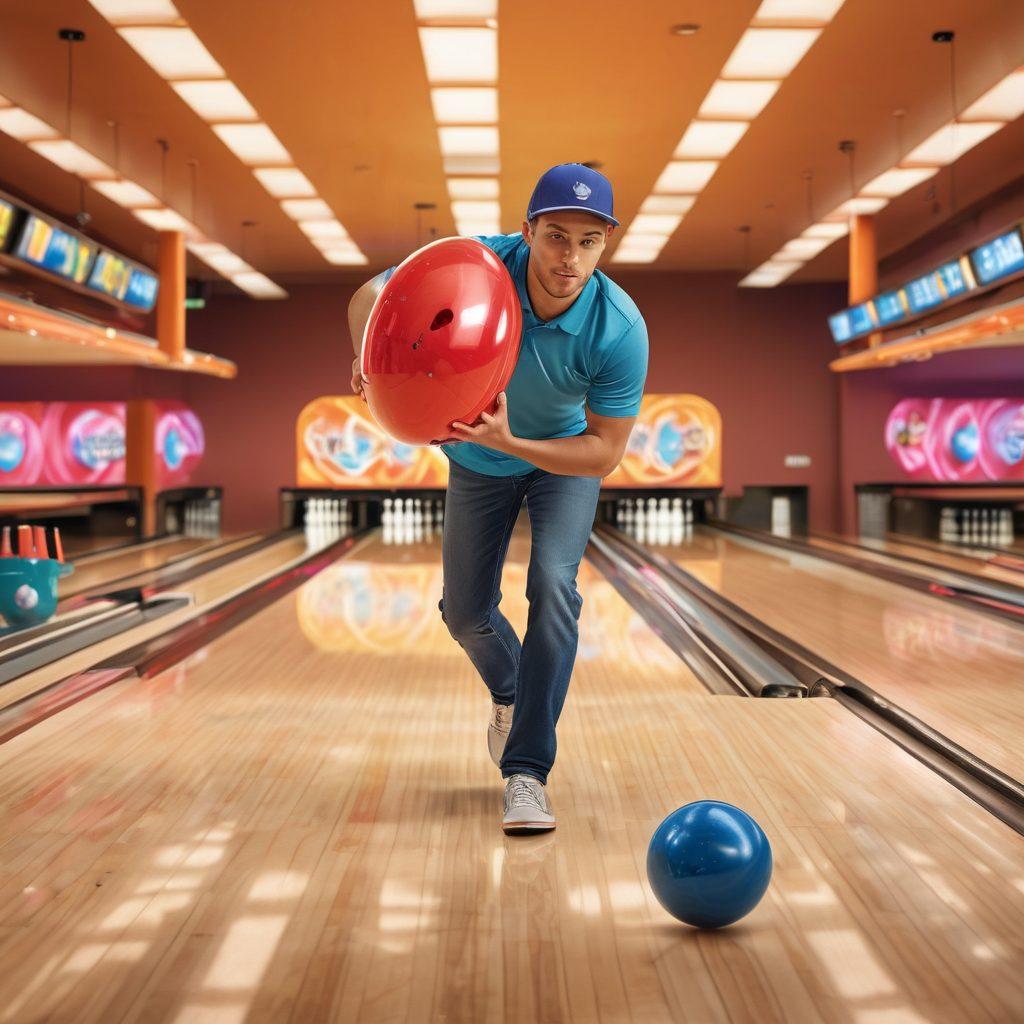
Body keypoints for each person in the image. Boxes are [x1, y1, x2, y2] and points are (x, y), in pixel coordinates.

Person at [349, 163, 648, 834]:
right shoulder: (480, 265)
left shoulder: (619, 330)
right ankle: (511, 690)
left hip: (560, 461)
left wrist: (515, 442)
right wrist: (367, 356)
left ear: (605, 244)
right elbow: (370, 293)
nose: (570, 257)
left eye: (589, 241)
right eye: (555, 236)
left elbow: (603, 453)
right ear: (528, 231)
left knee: (553, 587)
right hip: (478, 460)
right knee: (464, 615)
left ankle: (528, 773)